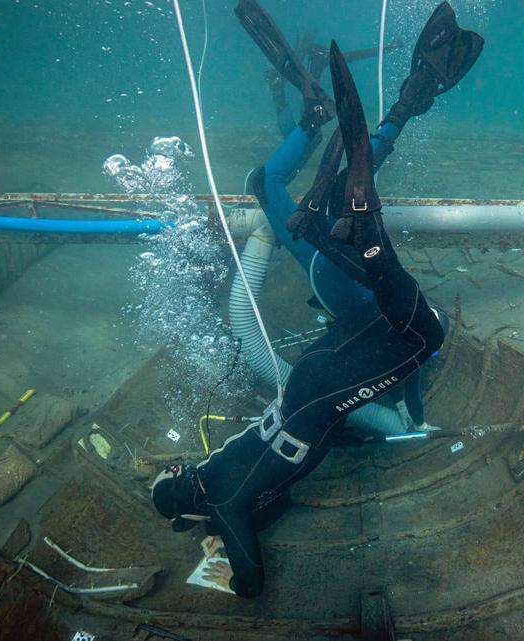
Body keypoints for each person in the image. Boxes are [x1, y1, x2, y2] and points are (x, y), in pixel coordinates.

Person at [151, 40, 453, 599]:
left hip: (318, 398)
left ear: (189, 514)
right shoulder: (215, 475)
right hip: (306, 383)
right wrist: (227, 522)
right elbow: (273, 495)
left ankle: (363, 236)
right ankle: (360, 199)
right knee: (388, 313)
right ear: (180, 476)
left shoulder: (222, 504)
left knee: (422, 331)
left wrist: (224, 531)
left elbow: (252, 583)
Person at [235, 0, 483, 431]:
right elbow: (381, 367)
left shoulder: (410, 321)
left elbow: (398, 366)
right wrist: (413, 417)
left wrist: (410, 412)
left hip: (346, 269)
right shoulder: (408, 338)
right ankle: (329, 119)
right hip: (328, 268)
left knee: (346, 182)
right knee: (278, 183)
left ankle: (393, 111)